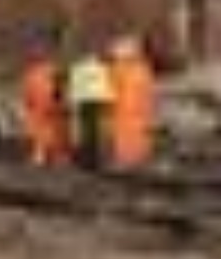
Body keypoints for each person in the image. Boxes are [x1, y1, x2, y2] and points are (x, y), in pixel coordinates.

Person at [106, 36, 157, 170]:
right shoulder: (143, 68)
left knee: (126, 134)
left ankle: (127, 159)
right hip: (137, 109)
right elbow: (148, 90)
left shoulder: (119, 68)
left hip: (125, 109)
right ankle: (137, 158)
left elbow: (111, 88)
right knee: (137, 134)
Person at [66, 45, 117, 171]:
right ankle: (95, 159)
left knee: (84, 131)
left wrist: (71, 100)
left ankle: (86, 159)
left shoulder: (78, 68)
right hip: (98, 100)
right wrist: (110, 100)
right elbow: (105, 84)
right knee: (96, 131)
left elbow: (74, 85)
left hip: (83, 101)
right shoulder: (101, 68)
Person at [20, 44, 68, 167]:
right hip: (43, 105)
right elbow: (27, 90)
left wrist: (59, 99)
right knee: (46, 131)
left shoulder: (45, 71)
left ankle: (51, 155)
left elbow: (59, 86)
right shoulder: (36, 72)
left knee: (51, 131)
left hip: (47, 104)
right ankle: (45, 155)